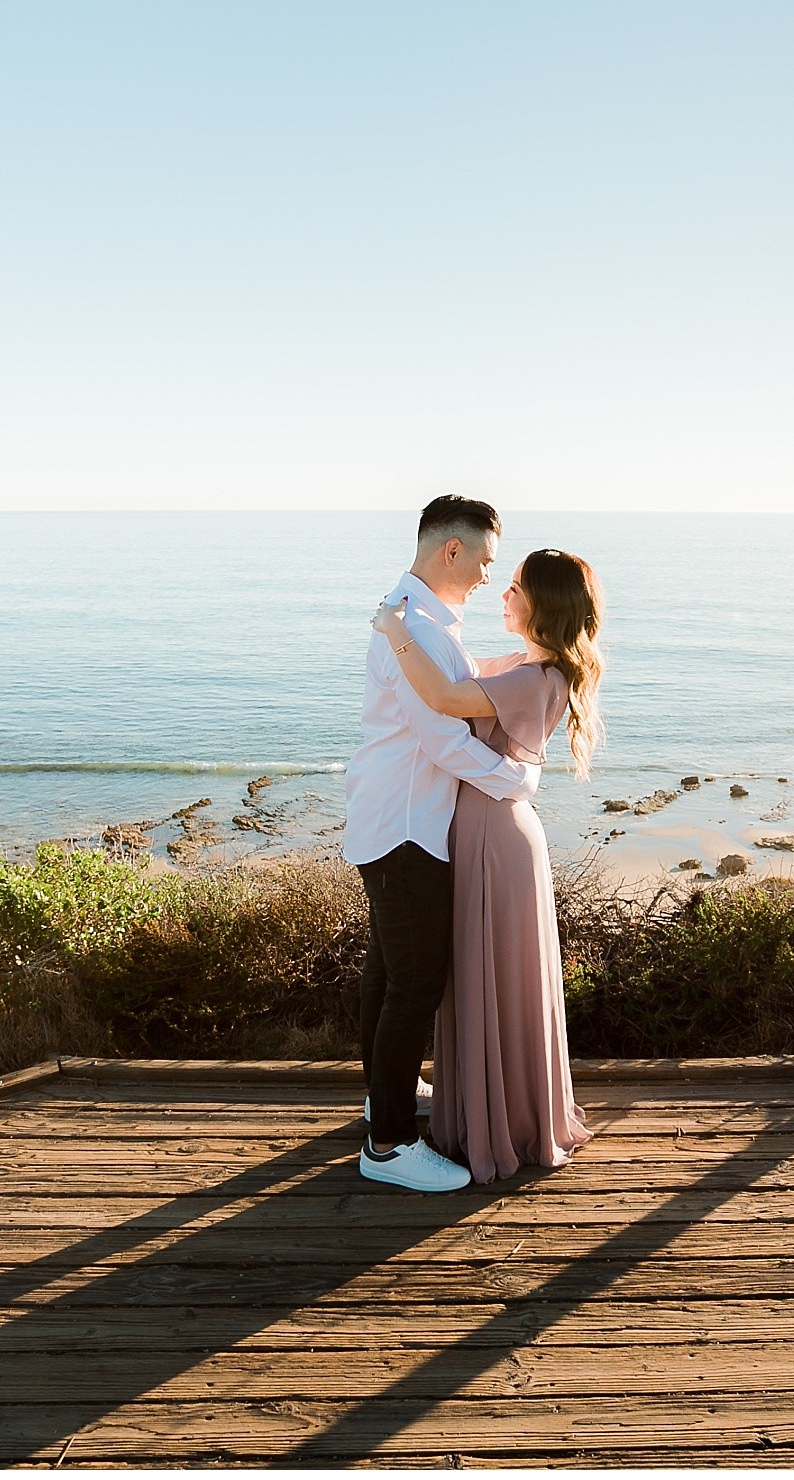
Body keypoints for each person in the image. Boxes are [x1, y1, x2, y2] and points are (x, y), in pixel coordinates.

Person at [371, 546, 602, 1184]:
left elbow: (445, 699)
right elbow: (466, 674)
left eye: (516, 587)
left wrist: (394, 631)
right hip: (501, 829)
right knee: (497, 974)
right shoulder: (534, 667)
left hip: (488, 837)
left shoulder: (530, 678)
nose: (503, 593)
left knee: (486, 972)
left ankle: (491, 1119)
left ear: (541, 604)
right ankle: (504, 1107)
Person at [343, 496, 542, 1194]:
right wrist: (515, 780)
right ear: (450, 551)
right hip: (406, 827)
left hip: (392, 820)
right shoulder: (418, 625)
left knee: (387, 973)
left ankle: (382, 1100)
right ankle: (390, 1144)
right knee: (415, 982)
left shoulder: (420, 616)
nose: (491, 574)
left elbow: (458, 685)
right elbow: (442, 737)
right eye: (486, 559)